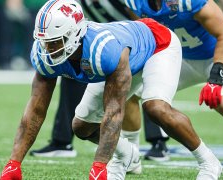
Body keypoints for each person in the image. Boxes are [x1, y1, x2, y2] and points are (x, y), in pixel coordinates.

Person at [0, 0, 222, 179]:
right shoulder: (45, 53)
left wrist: (98, 167)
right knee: (81, 126)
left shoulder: (103, 51)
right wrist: (13, 164)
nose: (49, 48)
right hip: (125, 54)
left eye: (56, 41)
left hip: (158, 45)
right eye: (46, 41)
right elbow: (35, 110)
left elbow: (114, 113)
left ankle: (208, 161)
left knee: (156, 108)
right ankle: (127, 154)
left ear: (75, 34)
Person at [122, 0, 223, 179]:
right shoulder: (134, 3)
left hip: (217, 55)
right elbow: (146, 35)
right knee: (130, 87)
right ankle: (131, 156)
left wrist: (216, 75)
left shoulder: (189, 2)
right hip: (180, 56)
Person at [30, 0, 170, 161]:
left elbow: (140, 16)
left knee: (144, 89)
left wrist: (139, 42)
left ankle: (158, 141)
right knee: (69, 71)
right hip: (89, 42)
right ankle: (62, 141)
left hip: (128, 41)